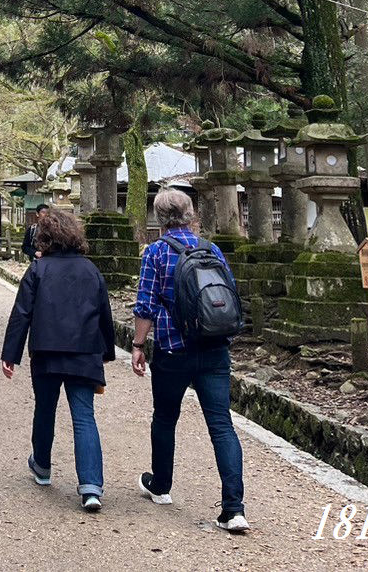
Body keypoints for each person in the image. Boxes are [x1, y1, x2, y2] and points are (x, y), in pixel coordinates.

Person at [131, 188, 248, 533]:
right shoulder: (211, 249)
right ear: (191, 214)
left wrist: (138, 344)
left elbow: (145, 305)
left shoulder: (155, 252)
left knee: (165, 418)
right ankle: (234, 508)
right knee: (221, 424)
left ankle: (161, 485)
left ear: (159, 218)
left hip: (172, 350)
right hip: (214, 347)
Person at [0, 208, 116, 513]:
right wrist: (106, 352)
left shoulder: (38, 270)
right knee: (84, 416)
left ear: (45, 237)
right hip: (84, 351)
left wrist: (10, 354)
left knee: (45, 409)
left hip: (47, 350)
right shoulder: (91, 270)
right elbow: (105, 312)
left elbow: (22, 312)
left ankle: (42, 464)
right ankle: (91, 486)